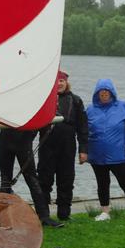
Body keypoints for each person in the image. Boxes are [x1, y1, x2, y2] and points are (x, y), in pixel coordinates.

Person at [84, 78, 125, 223]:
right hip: (97, 155)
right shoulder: (90, 110)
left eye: (107, 91)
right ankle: (105, 212)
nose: (104, 93)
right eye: (101, 91)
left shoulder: (123, 106)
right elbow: (83, 130)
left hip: (119, 154)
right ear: (97, 93)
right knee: (102, 183)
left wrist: (123, 139)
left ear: (112, 92)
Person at [37, 70, 88, 221]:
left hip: (68, 146)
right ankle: (43, 213)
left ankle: (64, 213)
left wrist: (83, 150)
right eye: (56, 81)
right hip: (47, 144)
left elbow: (83, 127)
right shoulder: (45, 99)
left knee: (66, 180)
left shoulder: (76, 100)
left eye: (62, 81)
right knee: (44, 180)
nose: (59, 84)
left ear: (66, 83)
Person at [0, 128, 64, 228]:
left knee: (31, 178)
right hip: (7, 136)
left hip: (22, 139)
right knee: (5, 179)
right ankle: (3, 216)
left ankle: (44, 216)